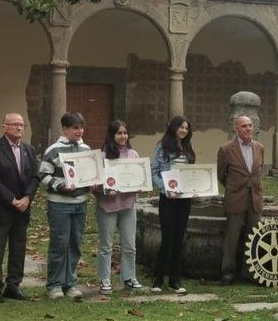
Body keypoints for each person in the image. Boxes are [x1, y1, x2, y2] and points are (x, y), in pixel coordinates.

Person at [0, 112, 40, 303]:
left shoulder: (29, 150)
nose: (19, 128)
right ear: (4, 126)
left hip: (22, 209)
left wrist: (27, 198)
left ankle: (14, 285)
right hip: (1, 208)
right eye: (14, 124)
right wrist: (11, 199)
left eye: (22, 125)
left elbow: (35, 176)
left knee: (18, 249)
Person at [39, 111, 91, 300]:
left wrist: (93, 181)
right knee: (59, 243)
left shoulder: (86, 149)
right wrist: (59, 185)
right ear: (65, 129)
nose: (79, 131)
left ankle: (70, 283)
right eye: (75, 128)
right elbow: (43, 175)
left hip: (81, 203)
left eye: (81, 127)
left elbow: (90, 173)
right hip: (59, 204)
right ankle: (54, 284)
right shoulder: (53, 150)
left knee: (75, 243)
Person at [93, 120, 142, 295]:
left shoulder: (133, 155)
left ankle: (129, 277)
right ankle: (105, 279)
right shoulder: (102, 156)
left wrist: (139, 185)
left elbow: (139, 178)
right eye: (119, 133)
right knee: (106, 245)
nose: (123, 136)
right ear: (112, 135)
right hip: (107, 207)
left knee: (130, 245)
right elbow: (94, 184)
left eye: (125, 133)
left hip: (127, 206)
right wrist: (104, 190)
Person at [150, 115, 196, 294]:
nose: (184, 130)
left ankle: (175, 280)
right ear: (174, 128)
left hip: (184, 199)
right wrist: (165, 189)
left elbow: (191, 173)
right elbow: (154, 172)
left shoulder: (188, 147)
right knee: (167, 239)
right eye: (181, 127)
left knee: (179, 239)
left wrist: (195, 187)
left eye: (186, 128)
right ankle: (158, 279)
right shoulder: (162, 147)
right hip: (168, 199)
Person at [217, 115, 264, 285]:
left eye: (250, 125)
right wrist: (234, 188)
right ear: (235, 128)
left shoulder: (260, 148)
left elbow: (257, 172)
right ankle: (227, 273)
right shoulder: (226, 149)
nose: (248, 129)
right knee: (232, 237)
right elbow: (221, 175)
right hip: (236, 198)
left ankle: (252, 272)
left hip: (255, 199)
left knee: (254, 236)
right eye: (244, 126)